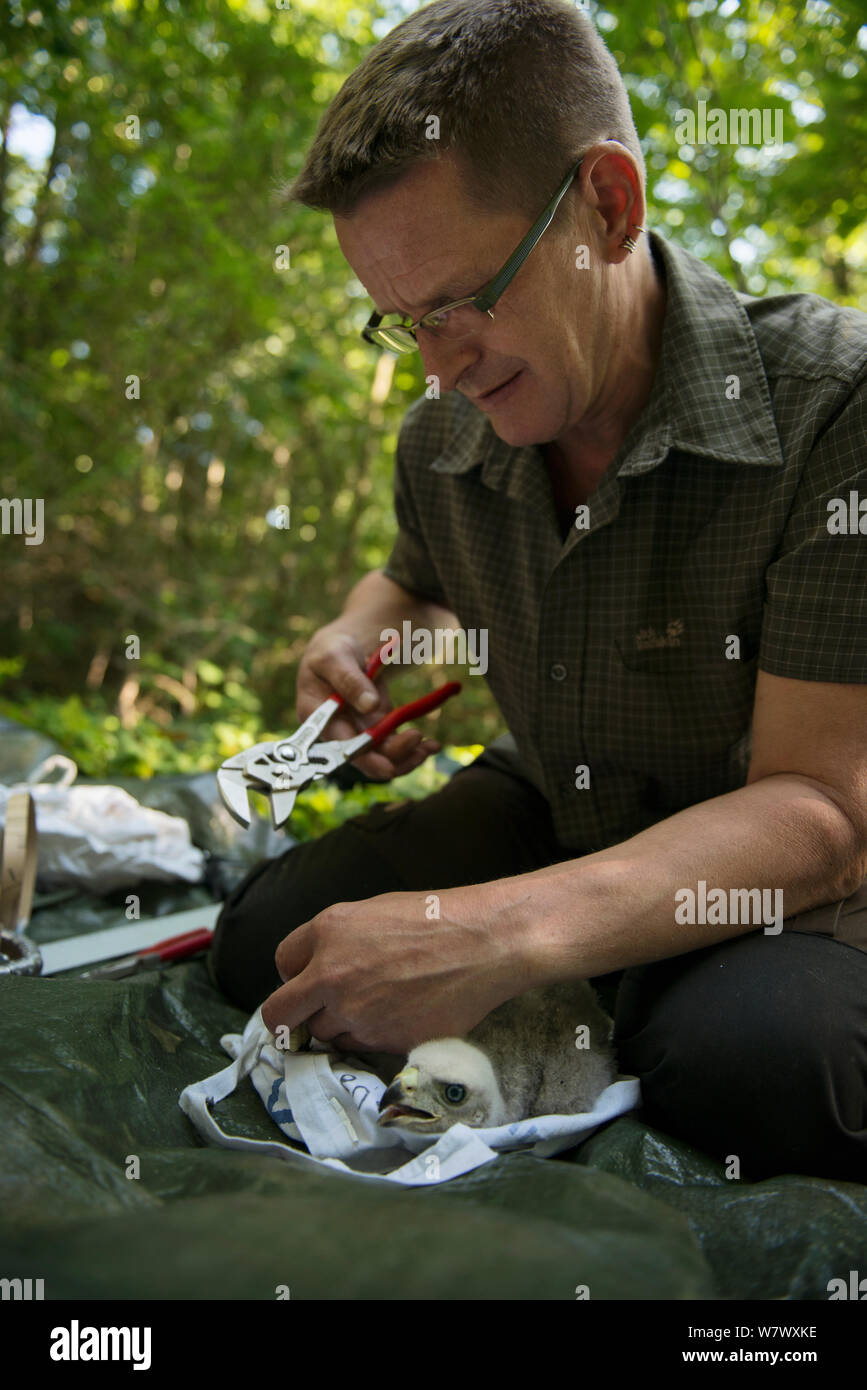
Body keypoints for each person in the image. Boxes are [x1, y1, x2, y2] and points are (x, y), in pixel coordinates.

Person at [210, 0, 867, 1181]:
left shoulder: (837, 407)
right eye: (399, 319)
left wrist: (487, 934)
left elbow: (820, 811)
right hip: (559, 791)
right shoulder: (445, 435)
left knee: (757, 1063)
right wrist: (365, 641)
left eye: (462, 301)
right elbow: (423, 591)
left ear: (608, 207)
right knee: (271, 943)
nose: (437, 364)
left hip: (769, 857)